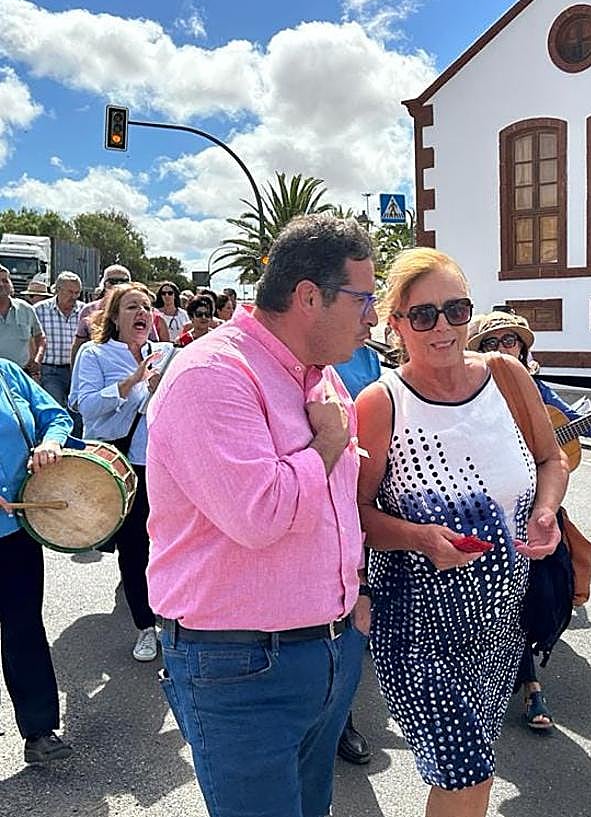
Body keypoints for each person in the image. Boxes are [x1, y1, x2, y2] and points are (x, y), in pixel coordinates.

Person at [146, 213, 377, 817]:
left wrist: (352, 595)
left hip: (325, 650)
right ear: (308, 297)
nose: (373, 316)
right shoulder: (213, 374)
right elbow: (263, 513)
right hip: (241, 667)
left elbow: (338, 507)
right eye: (364, 298)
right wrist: (327, 444)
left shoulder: (320, 377)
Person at [355, 249, 568, 817]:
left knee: (472, 774)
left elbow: (553, 461)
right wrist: (420, 537)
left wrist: (545, 512)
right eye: (423, 315)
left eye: (456, 310)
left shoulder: (507, 376)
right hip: (416, 626)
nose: (443, 326)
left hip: (500, 628)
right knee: (465, 768)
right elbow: (352, 516)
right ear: (395, 323)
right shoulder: (380, 403)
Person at [468, 309, 591, 730]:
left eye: (510, 342)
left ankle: (528, 680)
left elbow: (577, 426)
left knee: (541, 594)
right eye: (492, 343)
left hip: (534, 513)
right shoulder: (465, 391)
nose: (502, 350)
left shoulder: (536, 389)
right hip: (483, 514)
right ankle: (511, 684)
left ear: (523, 348)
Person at [70, 283, 173, 662]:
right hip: (119, 464)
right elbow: (86, 407)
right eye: (132, 307)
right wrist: (131, 382)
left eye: (146, 306)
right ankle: (145, 627)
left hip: (160, 463)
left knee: (165, 542)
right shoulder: (94, 354)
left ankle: (169, 615)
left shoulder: (163, 354)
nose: (142, 312)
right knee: (133, 547)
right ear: (114, 317)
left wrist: (162, 387)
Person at [0, 357, 74, 763]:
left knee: (23, 628)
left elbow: (54, 414)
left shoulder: (7, 372)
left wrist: (51, 441)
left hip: (17, 531)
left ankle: (39, 731)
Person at [332, 342, 383, 766]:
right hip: (319, 484)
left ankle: (339, 721)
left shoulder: (367, 356)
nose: (370, 320)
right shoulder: (312, 351)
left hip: (362, 481)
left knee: (353, 606)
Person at [34, 271, 84, 411]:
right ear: (58, 290)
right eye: (70, 292)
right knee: (56, 408)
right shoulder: (40, 310)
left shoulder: (84, 311)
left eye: (77, 293)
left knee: (78, 411)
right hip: (50, 370)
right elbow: (33, 339)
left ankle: (75, 434)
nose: (74, 297)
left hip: (78, 370)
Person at [70, 264, 132, 364]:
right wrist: (74, 375)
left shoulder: (141, 310)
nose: (118, 285)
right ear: (104, 284)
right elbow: (78, 345)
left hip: (131, 366)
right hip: (97, 366)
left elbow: (154, 343)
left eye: (123, 281)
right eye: (112, 282)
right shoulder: (89, 310)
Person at [0, 265, 46, 381]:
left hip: (20, 376)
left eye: (5, 280)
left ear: (11, 284)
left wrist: (37, 359)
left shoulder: (26, 309)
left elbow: (40, 337)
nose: (1, 285)